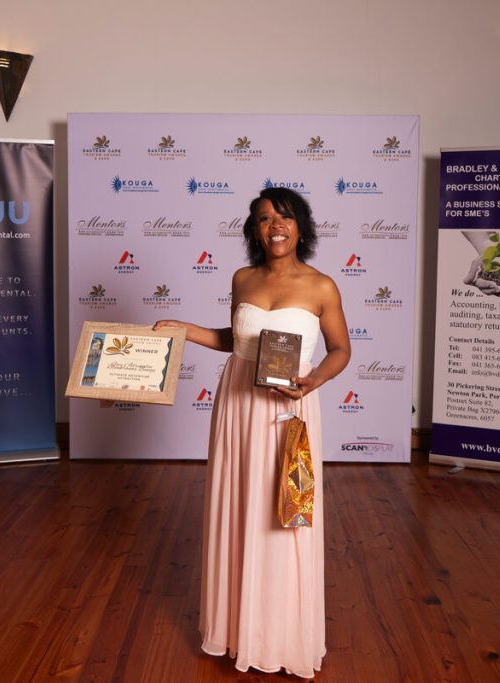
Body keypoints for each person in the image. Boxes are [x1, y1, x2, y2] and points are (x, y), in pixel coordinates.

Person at [155, 187, 350, 678]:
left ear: (300, 226)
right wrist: (184, 329)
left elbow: (340, 350)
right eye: (264, 219)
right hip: (239, 406)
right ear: (254, 230)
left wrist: (312, 381)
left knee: (284, 515)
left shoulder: (322, 286)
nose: (274, 226)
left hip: (289, 410)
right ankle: (237, 631)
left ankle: (283, 635)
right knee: (239, 508)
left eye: (283, 217)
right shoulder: (242, 278)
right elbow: (236, 341)